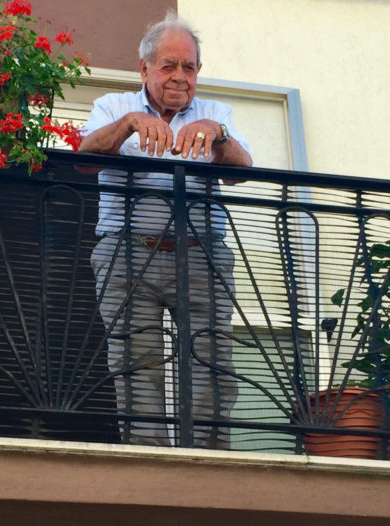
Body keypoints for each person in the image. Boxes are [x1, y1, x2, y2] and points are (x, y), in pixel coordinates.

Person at [80, 11, 252, 448]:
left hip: (201, 254)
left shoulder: (217, 113)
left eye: (189, 67)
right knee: (137, 365)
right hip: (126, 253)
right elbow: (83, 157)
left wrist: (218, 134)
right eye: (169, 65)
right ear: (144, 68)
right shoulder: (113, 107)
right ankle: (150, 467)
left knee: (211, 362)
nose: (180, 77)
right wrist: (128, 126)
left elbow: (242, 172)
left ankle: (210, 463)